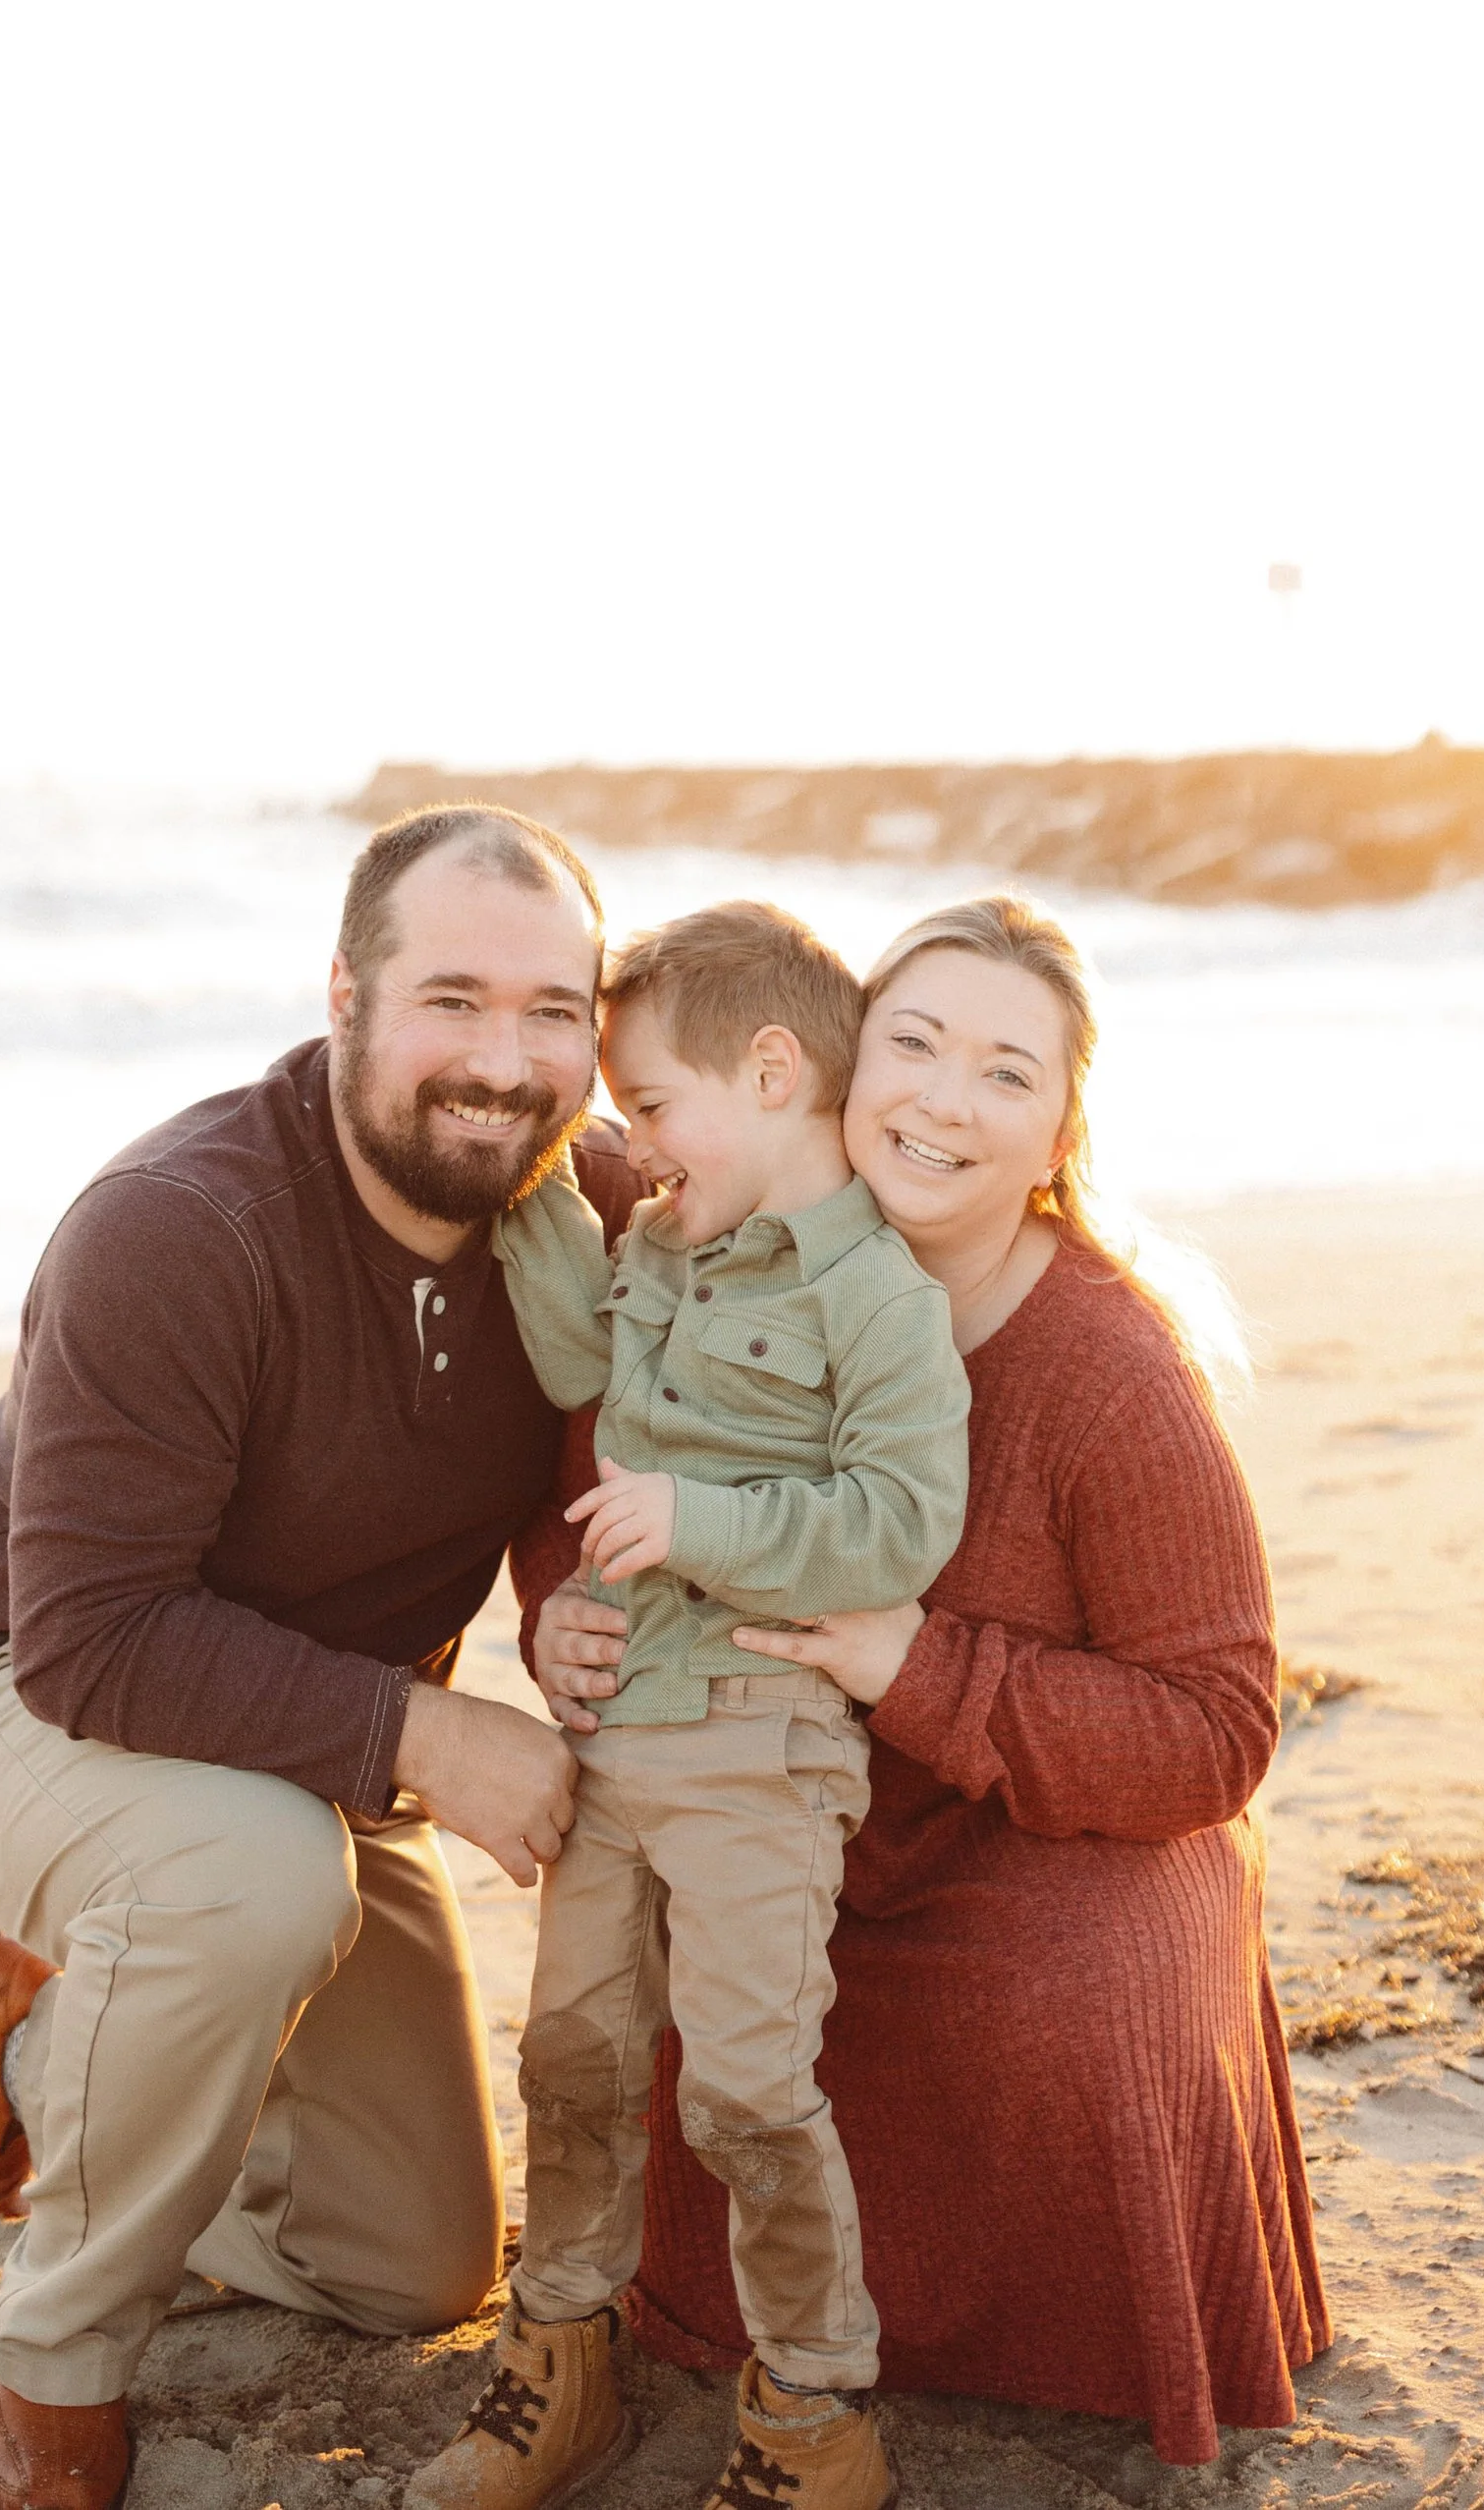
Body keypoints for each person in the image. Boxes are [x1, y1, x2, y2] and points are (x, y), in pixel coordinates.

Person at [0, 804, 640, 2510]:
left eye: (552, 1011)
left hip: (310, 1745)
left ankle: (59, 2026)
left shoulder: (586, 1214)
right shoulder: (178, 1226)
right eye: (451, 1001)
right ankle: (51, 2371)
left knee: (416, 2270)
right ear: (345, 993)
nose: (503, 1063)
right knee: (260, 1877)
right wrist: (433, 1732)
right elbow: (91, 1635)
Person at [525, 895, 1329, 2472]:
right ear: (824, 1062)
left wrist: (920, 1661)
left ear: (1056, 1133)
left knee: (1071, 2008)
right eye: (914, 1042)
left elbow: (1222, 1727)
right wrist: (564, 1616)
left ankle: (969, 2374)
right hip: (776, 1780)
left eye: (1006, 1073)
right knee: (662, 1991)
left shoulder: (1113, 1372)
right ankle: (624, 2328)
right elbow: (591, 1426)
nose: (945, 1100)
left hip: (1048, 1821)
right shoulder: (706, 1223)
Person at [411, 904, 968, 2510]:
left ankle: (811, 2407)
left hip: (760, 1745)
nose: (633, 1143)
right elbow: (582, 1344)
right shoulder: (658, 1242)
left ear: (774, 1070)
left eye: (649, 1105)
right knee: (574, 2057)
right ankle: (563, 2355)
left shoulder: (876, 1291)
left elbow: (897, 1526)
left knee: (742, 2088)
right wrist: (523, 1186)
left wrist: (703, 1523)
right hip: (616, 1734)